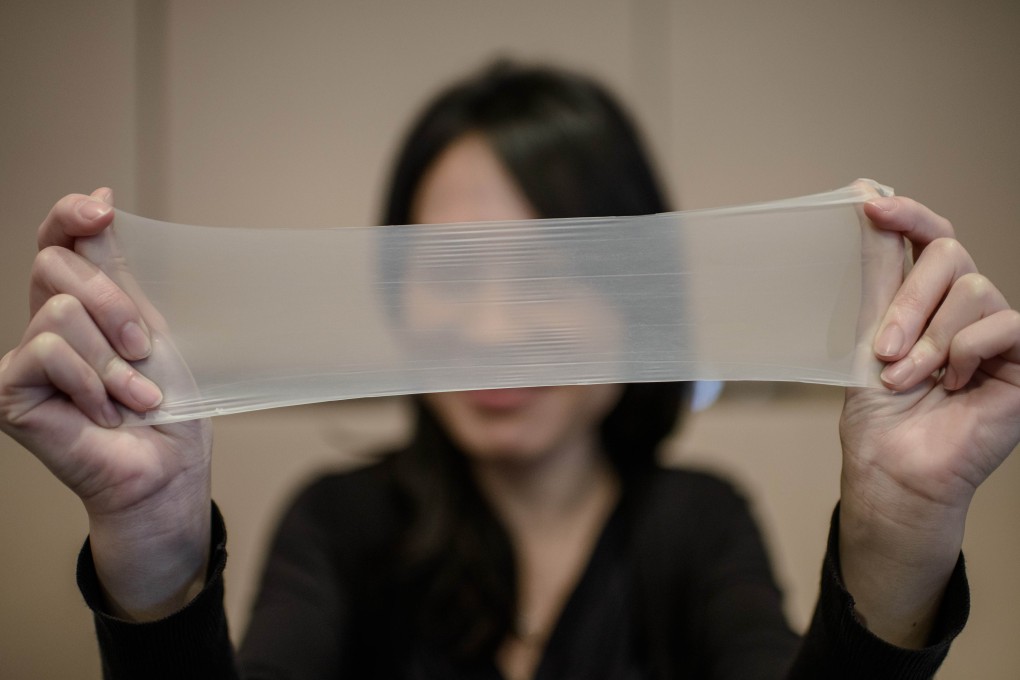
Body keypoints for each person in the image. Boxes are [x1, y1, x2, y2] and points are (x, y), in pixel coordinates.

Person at [1, 62, 1018, 680]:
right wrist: (152, 540)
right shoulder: (342, 525)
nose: (492, 324)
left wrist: (902, 533)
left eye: (559, 266)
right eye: (448, 269)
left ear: (643, 294)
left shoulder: (697, 526)